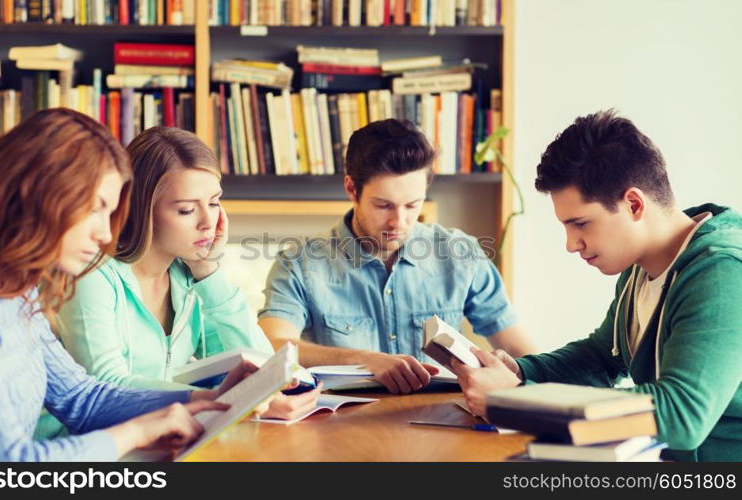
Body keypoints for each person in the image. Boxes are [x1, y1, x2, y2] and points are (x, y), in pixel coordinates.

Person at [0, 109, 255, 461]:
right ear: (38, 195)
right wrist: (137, 432)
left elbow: (81, 398)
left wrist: (202, 399)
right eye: (95, 209)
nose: (106, 233)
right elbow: (8, 464)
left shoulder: (17, 292)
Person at [451, 110, 742, 462]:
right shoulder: (639, 267)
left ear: (634, 204)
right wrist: (520, 371)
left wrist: (516, 399)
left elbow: (682, 415)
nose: (571, 244)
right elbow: (602, 358)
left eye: (581, 224)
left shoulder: (721, 271)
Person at [58, 127, 321, 421]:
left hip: (163, 439)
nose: (208, 222)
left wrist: (208, 272)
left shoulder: (188, 278)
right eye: (186, 210)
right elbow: (107, 383)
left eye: (213, 202)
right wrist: (228, 400)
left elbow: (261, 365)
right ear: (141, 210)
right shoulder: (93, 274)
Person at [258, 118, 536, 394]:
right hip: (340, 426)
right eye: (383, 205)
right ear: (351, 189)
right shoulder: (299, 263)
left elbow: (519, 350)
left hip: (444, 421)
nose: (398, 222)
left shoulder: (461, 254)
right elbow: (273, 343)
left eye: (413, 205)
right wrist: (363, 360)